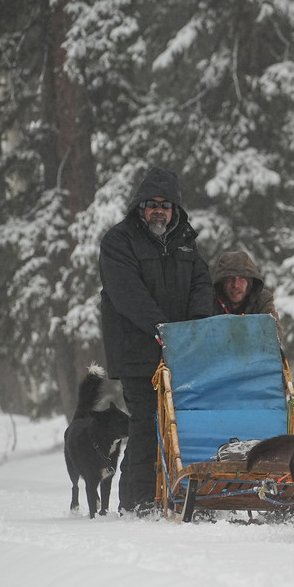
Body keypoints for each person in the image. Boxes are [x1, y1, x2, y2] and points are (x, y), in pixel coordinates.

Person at [99, 166, 214, 515]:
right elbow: (127, 294)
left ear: (175, 209)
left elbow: (201, 284)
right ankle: (137, 502)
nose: (159, 210)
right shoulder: (119, 241)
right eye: (152, 204)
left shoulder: (185, 241)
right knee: (147, 424)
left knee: (177, 429)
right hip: (137, 353)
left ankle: (174, 495)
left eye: (165, 204)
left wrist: (192, 327)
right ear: (140, 206)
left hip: (178, 353)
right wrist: (165, 329)